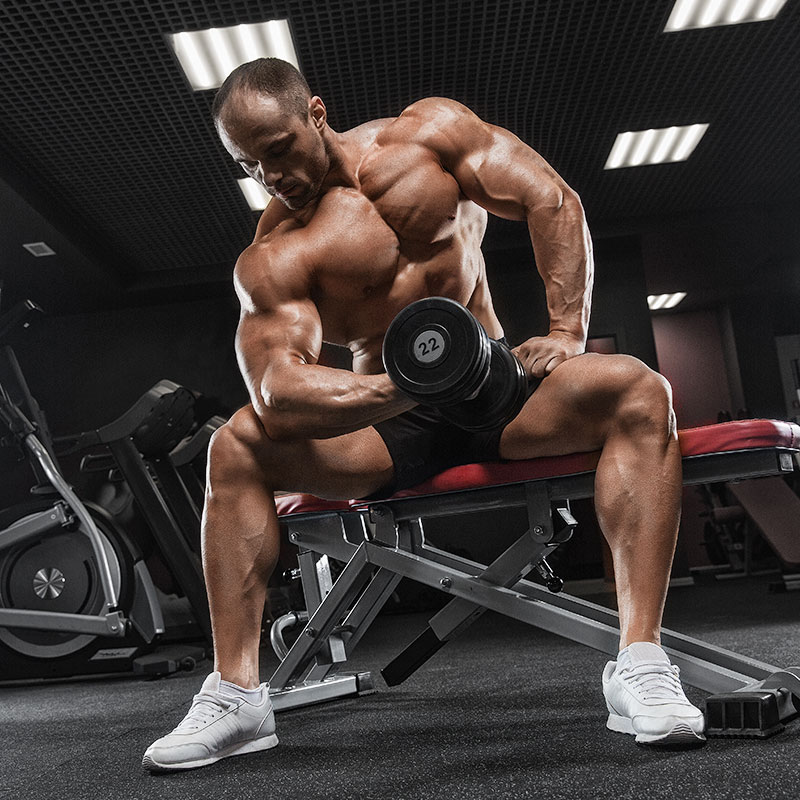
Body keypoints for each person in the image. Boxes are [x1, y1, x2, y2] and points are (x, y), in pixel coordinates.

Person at [142, 58, 704, 772]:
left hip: (496, 387)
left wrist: (566, 331)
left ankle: (640, 663)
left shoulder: (430, 136)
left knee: (639, 389)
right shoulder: (276, 252)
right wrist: (409, 387)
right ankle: (237, 695)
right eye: (250, 165)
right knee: (237, 445)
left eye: (278, 150)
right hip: (390, 423)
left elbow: (550, 200)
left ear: (316, 112)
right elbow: (278, 388)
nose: (270, 176)